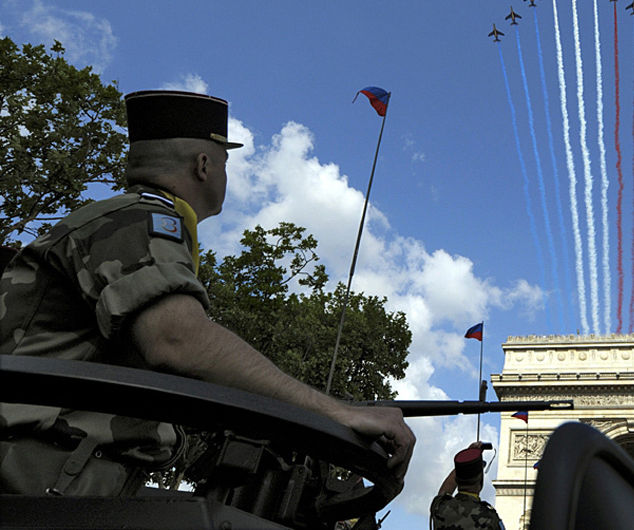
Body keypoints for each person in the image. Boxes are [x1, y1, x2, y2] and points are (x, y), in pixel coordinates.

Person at [0, 90, 414, 497]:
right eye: (225, 164)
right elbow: (177, 340)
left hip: (57, 466)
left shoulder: (126, 218)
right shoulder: (138, 220)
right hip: (35, 469)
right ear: (203, 166)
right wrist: (338, 413)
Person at [430, 442, 504, 530]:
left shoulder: (440, 507)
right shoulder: (489, 518)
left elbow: (445, 489)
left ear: (457, 479)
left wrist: (468, 456)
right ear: (481, 480)